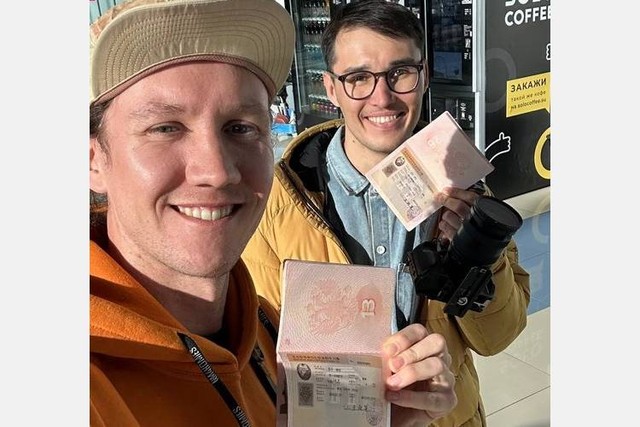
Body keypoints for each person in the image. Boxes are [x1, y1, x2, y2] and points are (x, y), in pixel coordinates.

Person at [89, 0, 457, 425]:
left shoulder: (266, 327)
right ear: (93, 160)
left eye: (241, 128)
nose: (217, 171)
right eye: (166, 128)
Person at [242, 0, 531, 426]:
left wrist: (476, 259)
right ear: (331, 88)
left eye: (400, 73)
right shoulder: (280, 204)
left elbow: (498, 337)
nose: (382, 97)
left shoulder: (464, 188)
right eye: (359, 78)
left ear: (424, 76)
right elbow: (258, 353)